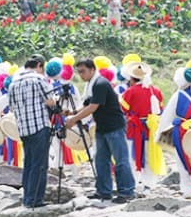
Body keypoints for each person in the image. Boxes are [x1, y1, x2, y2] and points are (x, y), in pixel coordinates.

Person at [68, 59, 136, 202]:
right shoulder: (91, 85)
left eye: (83, 71)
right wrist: (71, 113)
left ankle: (127, 191)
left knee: (120, 160)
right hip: (102, 127)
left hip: (114, 127)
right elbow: (86, 104)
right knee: (101, 160)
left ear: (92, 69)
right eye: (79, 72)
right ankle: (104, 191)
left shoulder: (100, 84)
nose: (81, 75)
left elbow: (93, 107)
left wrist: (74, 119)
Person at [10, 57, 57, 207]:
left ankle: (27, 197)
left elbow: (11, 107)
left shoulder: (13, 83)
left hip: (24, 129)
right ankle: (35, 200)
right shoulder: (38, 79)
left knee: (29, 164)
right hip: (39, 126)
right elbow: (50, 101)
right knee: (40, 165)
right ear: (39, 65)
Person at [161, 60, 191, 198]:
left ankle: (187, 189)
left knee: (181, 159)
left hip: (181, 131)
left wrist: (160, 131)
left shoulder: (178, 95)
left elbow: (167, 115)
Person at [121, 61, 165, 185]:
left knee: (132, 155)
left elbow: (123, 109)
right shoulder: (156, 91)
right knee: (149, 155)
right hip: (151, 127)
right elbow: (161, 110)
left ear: (131, 78)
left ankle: (133, 181)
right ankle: (149, 183)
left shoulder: (130, 92)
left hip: (134, 127)